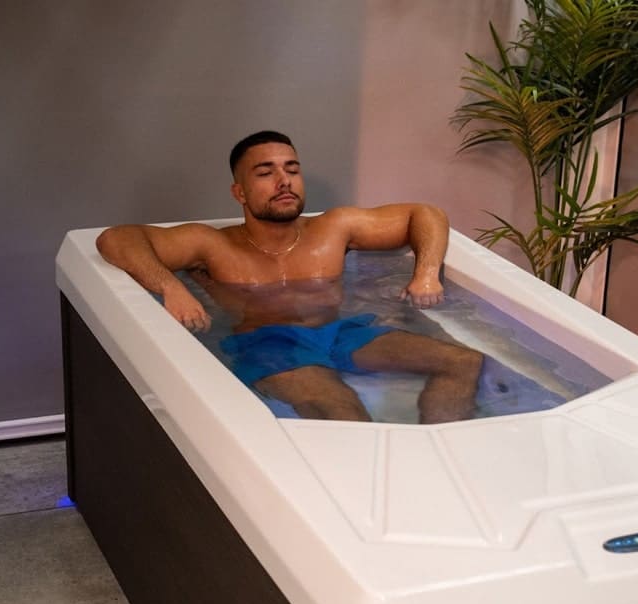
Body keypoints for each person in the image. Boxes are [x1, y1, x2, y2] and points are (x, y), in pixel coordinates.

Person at [95, 130, 483, 423]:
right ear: (240, 193)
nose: (284, 181)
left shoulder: (333, 229)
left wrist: (426, 275)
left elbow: (425, 214)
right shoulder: (212, 244)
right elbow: (118, 238)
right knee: (345, 415)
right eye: (265, 173)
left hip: (340, 333)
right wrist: (171, 287)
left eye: (292, 170)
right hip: (268, 343)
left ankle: (444, 458)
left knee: (463, 361)